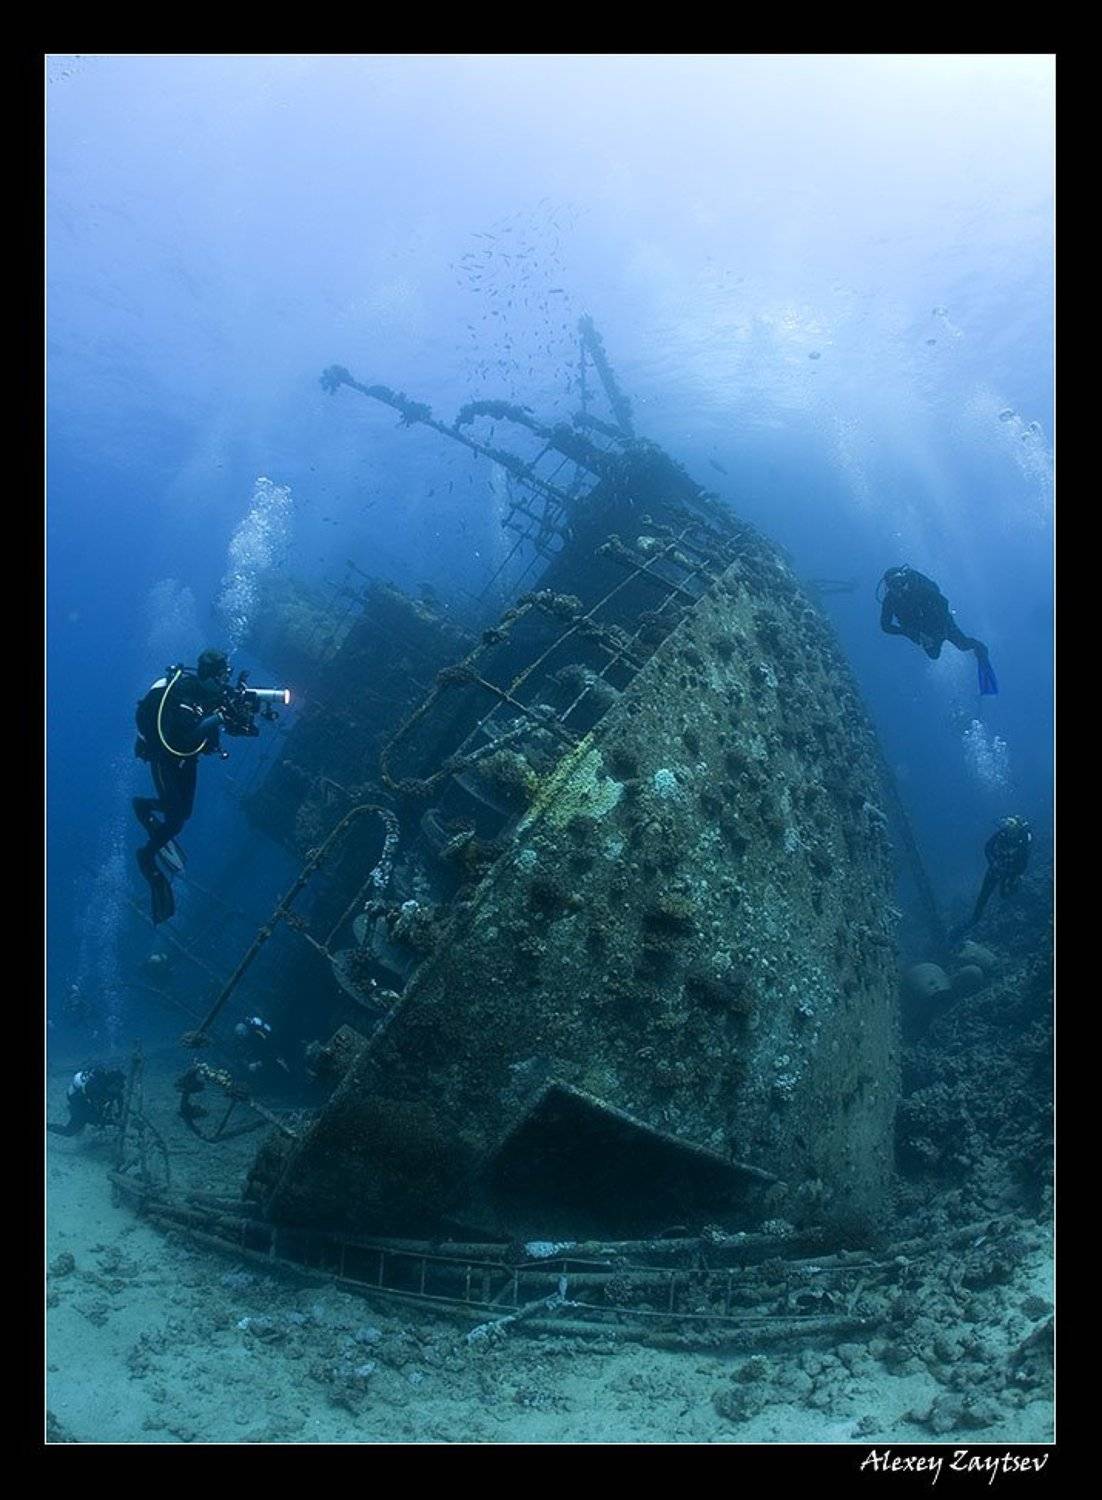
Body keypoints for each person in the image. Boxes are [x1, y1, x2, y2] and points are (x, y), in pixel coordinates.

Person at [132, 649, 252, 925]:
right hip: (165, 758)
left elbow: (214, 734)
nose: (225, 681)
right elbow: (183, 739)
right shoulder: (182, 693)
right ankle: (146, 858)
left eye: (228, 675)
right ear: (211, 674)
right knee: (174, 821)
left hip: (187, 761)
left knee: (183, 814)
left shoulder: (213, 695)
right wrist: (219, 718)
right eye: (222, 675)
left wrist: (238, 718)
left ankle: (143, 805)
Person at [878, 566, 998, 694]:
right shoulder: (890, 601)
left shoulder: (919, 588)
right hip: (922, 632)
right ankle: (934, 638)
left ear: (905, 579)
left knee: (962, 645)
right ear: (888, 588)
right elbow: (885, 626)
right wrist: (913, 634)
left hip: (942, 623)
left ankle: (980, 650)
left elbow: (943, 602)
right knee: (934, 655)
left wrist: (942, 627)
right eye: (894, 585)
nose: (900, 588)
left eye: (901, 582)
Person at [953, 816, 1032, 939]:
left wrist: (1016, 875)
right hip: (996, 869)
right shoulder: (1002, 834)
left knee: (1005, 894)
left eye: (1010, 824)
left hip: (1011, 872)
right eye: (1006, 824)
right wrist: (993, 862)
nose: (1007, 826)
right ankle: (971, 922)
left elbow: (1024, 861)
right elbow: (988, 847)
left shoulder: (1023, 839)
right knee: (983, 898)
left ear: (1017, 826)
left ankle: (1012, 893)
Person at [47, 1066, 126, 1137]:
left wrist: (119, 1112)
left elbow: (119, 1097)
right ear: (111, 1084)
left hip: (90, 1100)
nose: (120, 1089)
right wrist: (113, 1122)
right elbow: (94, 1119)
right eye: (118, 1086)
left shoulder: (113, 1088)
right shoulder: (95, 1091)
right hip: (79, 1101)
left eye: (121, 1086)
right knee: (69, 1132)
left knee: (97, 1113)